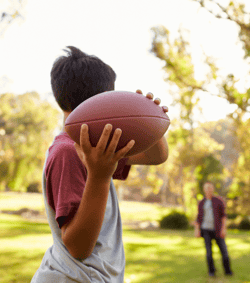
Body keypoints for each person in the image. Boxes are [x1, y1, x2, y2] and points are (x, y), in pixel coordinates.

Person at [31, 46, 169, 282]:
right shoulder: (66, 151)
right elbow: (78, 248)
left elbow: (156, 157)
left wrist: (151, 118)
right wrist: (100, 176)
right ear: (102, 101)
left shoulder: (98, 146)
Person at [194, 181, 233, 277]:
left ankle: (228, 271)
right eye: (207, 188)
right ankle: (211, 272)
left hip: (218, 230)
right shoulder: (202, 202)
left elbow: (224, 216)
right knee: (209, 253)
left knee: (224, 252)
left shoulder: (218, 201)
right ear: (204, 189)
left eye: (210, 188)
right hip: (206, 230)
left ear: (213, 189)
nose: (208, 190)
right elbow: (198, 218)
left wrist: (224, 229)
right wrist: (197, 230)